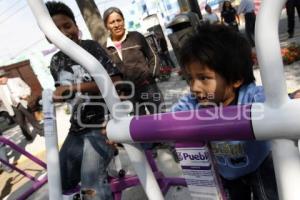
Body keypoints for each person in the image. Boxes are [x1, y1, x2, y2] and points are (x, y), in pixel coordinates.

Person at [171, 24, 295, 199]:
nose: (194, 88)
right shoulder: (193, 103)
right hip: (228, 173)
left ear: (236, 78)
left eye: (204, 78)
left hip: (259, 164)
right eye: (190, 79)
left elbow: (274, 106)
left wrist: (291, 100)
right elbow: (166, 120)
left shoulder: (251, 97)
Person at [45, 1, 122, 199]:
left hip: (103, 125)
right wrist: (54, 97)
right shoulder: (55, 62)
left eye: (67, 26)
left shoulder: (90, 48)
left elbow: (115, 82)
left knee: (91, 185)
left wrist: (73, 87)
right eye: (56, 30)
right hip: (77, 129)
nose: (64, 33)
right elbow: (65, 93)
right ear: (48, 36)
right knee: (57, 181)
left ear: (76, 26)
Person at [103, 7, 164, 115]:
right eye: (112, 22)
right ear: (106, 26)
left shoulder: (136, 36)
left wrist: (151, 76)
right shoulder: (105, 48)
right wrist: (118, 91)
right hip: (128, 94)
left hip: (148, 87)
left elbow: (153, 57)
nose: (117, 25)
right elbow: (107, 74)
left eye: (119, 20)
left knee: (160, 118)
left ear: (123, 20)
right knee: (140, 126)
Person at [0, 69, 43, 141]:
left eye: (1, 77)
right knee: (21, 123)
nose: (0, 80)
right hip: (12, 107)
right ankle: (28, 136)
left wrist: (26, 95)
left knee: (32, 119)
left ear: (5, 76)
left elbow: (27, 88)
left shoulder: (16, 80)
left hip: (22, 103)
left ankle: (41, 132)